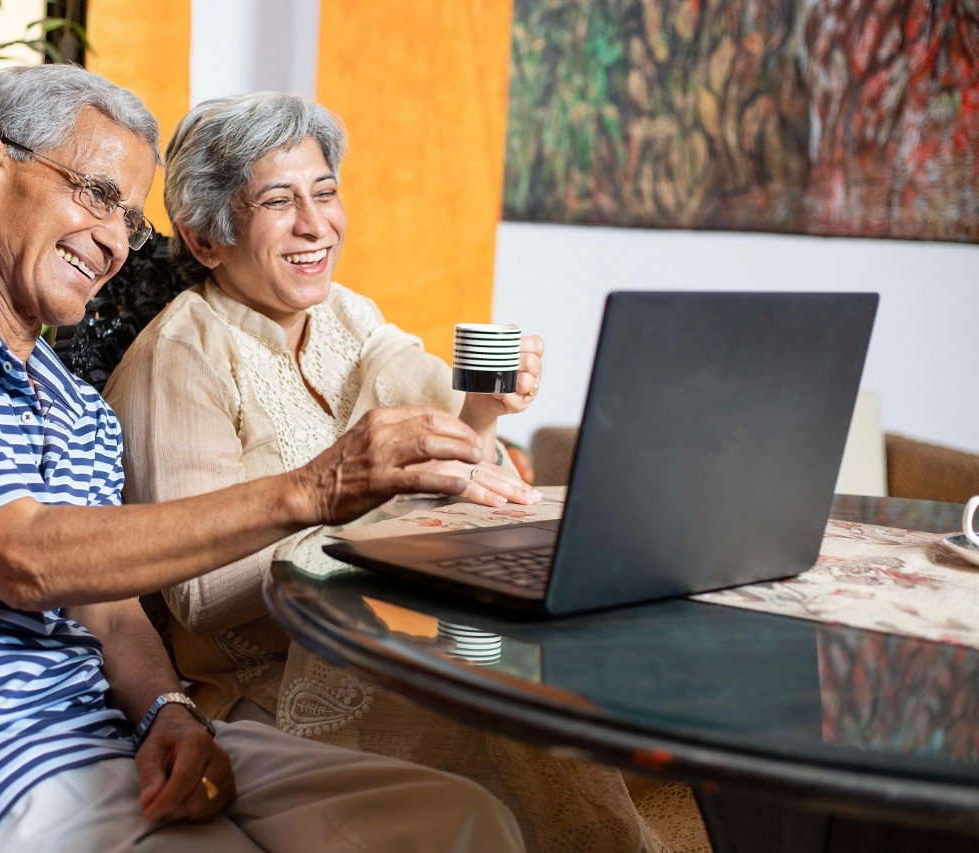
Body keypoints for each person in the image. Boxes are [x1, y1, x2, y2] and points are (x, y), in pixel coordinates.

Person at [0, 65, 527, 853]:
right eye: (96, 193)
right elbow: (22, 557)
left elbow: (112, 611)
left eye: (129, 216)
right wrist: (319, 488)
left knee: (463, 819)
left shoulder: (75, 404)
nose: (117, 239)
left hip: (99, 745)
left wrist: (170, 711)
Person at [104, 92, 710, 853]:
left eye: (325, 192)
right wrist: (356, 508)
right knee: (519, 718)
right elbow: (201, 593)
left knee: (573, 707)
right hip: (274, 687)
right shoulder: (183, 356)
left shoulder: (350, 317)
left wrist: (484, 408)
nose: (314, 223)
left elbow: (456, 449)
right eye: (279, 201)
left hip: (394, 638)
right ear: (204, 237)